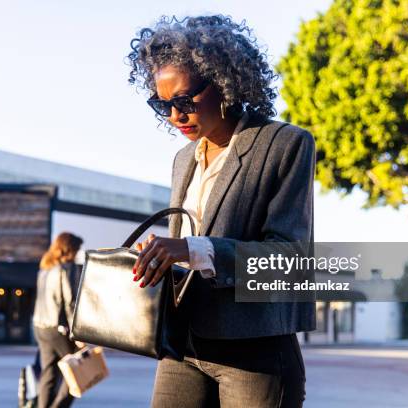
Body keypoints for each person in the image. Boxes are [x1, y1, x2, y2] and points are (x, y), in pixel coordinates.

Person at [127, 15, 316, 407]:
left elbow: (290, 259)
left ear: (224, 80)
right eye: (162, 105)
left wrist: (191, 249)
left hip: (255, 349)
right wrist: (157, 259)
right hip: (182, 344)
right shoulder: (184, 159)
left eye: (184, 100)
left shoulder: (284, 144)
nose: (175, 117)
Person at [33, 232, 83, 408]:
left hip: (40, 327)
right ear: (69, 249)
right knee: (78, 370)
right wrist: (78, 334)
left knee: (49, 374)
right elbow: (70, 303)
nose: (77, 254)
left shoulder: (45, 269)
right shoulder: (65, 268)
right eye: (76, 250)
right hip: (57, 328)